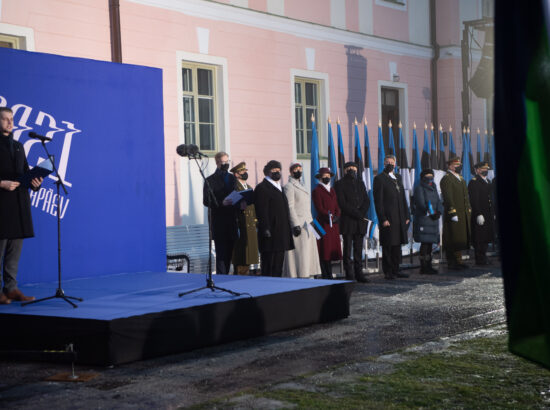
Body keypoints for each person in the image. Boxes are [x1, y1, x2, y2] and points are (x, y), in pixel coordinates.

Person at [0, 107, 43, 304]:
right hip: (2, 205)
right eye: (5, 119)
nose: (10, 122)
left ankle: (11, 289)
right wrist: (1, 183)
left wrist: (34, 183)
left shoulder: (19, 146)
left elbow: (24, 173)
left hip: (18, 206)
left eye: (11, 119)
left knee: (14, 253)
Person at [373, 155, 410, 280]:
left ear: (395, 164)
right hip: (388, 218)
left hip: (399, 217)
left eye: (392, 162)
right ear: (384, 164)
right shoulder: (380, 179)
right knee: (389, 245)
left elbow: (403, 198)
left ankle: (396, 268)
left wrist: (407, 215)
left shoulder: (398, 178)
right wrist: (383, 218)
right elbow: (378, 201)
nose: (390, 164)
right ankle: (388, 271)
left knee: (397, 245)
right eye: (387, 162)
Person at [254, 160, 294, 276]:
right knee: (269, 263)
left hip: (281, 232)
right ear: (267, 172)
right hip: (270, 232)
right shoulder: (262, 188)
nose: (277, 172)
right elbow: (262, 210)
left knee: (278, 263)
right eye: (274, 170)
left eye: (278, 170)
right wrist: (265, 227)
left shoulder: (279, 187)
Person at [283, 163, 322, 278]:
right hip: (299, 223)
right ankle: (299, 274)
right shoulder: (289, 186)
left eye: (300, 169)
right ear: (291, 172)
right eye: (296, 170)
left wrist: (311, 222)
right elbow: (290, 207)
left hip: (308, 222)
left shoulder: (302, 185)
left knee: (309, 252)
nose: (298, 171)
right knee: (301, 253)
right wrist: (295, 224)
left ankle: (309, 274)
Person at [334, 162, 370, 283]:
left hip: (359, 221)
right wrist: (357, 214)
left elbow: (366, 200)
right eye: (349, 168)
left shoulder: (360, 183)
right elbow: (342, 203)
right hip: (348, 221)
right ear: (344, 170)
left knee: (358, 249)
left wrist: (362, 213)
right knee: (348, 249)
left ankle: (359, 273)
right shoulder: (339, 184)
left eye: (354, 168)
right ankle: (349, 274)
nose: (352, 170)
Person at [203, 151, 238, 275]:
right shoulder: (210, 180)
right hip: (219, 222)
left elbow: (236, 195)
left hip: (232, 222)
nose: (226, 164)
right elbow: (206, 200)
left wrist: (241, 202)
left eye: (227, 161)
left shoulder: (233, 178)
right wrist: (221, 203)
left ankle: (227, 278)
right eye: (223, 162)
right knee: (221, 255)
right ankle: (221, 279)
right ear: (217, 163)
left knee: (229, 255)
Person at [440, 156, 472, 270]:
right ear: (450, 166)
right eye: (456, 165)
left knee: (459, 237)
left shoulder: (460, 178)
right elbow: (448, 196)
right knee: (452, 237)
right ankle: (451, 262)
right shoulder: (447, 178)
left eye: (459, 165)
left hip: (462, 212)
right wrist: (452, 211)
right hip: (453, 212)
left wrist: (468, 208)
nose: (458, 167)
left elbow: (465, 196)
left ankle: (459, 260)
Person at [312, 167, 342, 279]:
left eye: (328, 176)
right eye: (324, 176)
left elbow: (337, 206)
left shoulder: (332, 190)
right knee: (324, 249)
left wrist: (337, 216)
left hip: (333, 224)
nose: (327, 178)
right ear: (320, 177)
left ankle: (330, 273)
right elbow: (319, 208)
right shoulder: (317, 190)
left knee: (331, 250)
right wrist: (328, 215)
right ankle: (325, 274)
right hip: (324, 223)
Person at [412, 169, 444, 274]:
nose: (430, 177)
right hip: (424, 220)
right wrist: (431, 213)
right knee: (425, 244)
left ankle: (429, 265)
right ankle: (423, 267)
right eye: (428, 176)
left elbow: (439, 201)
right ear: (423, 177)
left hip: (433, 220)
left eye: (431, 175)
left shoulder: (434, 187)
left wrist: (439, 212)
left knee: (430, 244)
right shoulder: (419, 188)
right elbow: (421, 203)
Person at [230, 161, 259, 275]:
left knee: (249, 256)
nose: (245, 173)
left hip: (250, 225)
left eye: (245, 171)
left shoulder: (249, 187)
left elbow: (253, 207)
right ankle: (239, 278)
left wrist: (256, 221)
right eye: (242, 171)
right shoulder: (234, 187)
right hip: (241, 224)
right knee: (241, 256)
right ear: (236, 174)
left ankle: (245, 276)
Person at [468, 162, 495, 265]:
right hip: (480, 213)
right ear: (478, 170)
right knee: (479, 238)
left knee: (486, 236)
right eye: (483, 169)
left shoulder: (487, 181)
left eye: (486, 169)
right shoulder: (474, 182)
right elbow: (474, 199)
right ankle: (479, 259)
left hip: (488, 213)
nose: (485, 170)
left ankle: (483, 256)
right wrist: (478, 213)